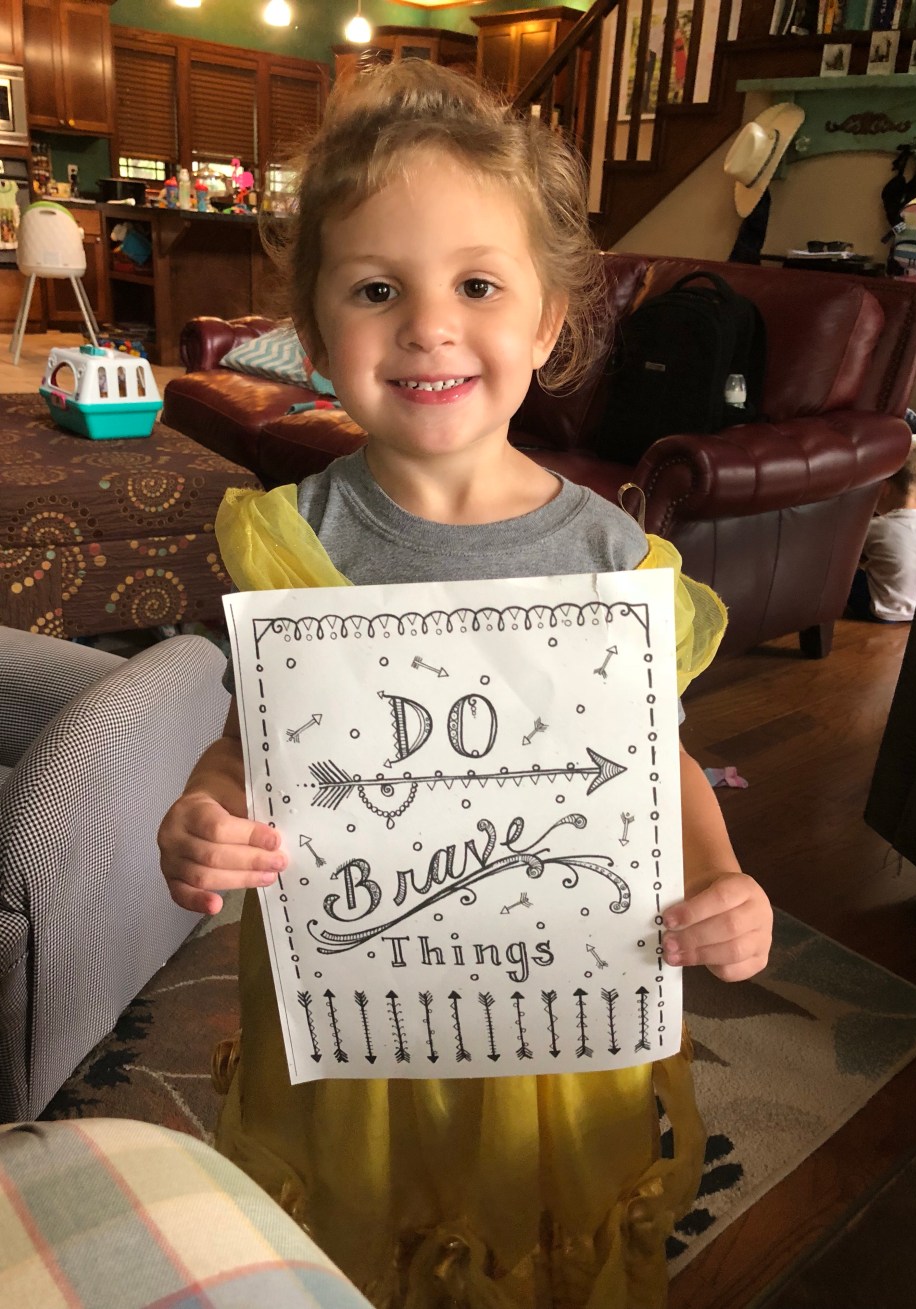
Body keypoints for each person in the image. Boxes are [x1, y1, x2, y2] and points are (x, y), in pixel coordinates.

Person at [158, 61, 772, 1309]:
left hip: (555, 1001)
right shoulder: (296, 539)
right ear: (316, 335)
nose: (429, 326)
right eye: (377, 289)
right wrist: (203, 816)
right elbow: (245, 748)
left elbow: (654, 766)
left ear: (547, 324)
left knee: (535, 1228)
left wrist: (721, 879)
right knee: (360, 1225)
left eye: (477, 285)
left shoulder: (608, 556)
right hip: (356, 1012)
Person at [848, 444, 916, 623]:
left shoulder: (875, 527)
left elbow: (842, 553)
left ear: (884, 489)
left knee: (841, 572)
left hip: (880, 611)